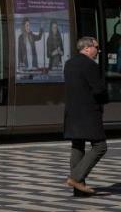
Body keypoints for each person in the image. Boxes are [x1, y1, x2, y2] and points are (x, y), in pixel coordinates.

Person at [64, 36, 109, 195]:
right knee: (100, 146)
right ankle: (75, 178)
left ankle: (79, 190)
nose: (98, 51)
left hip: (72, 113)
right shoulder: (90, 65)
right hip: (89, 113)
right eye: (96, 47)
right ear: (87, 48)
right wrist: (105, 99)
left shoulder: (69, 64)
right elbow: (98, 90)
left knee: (78, 146)